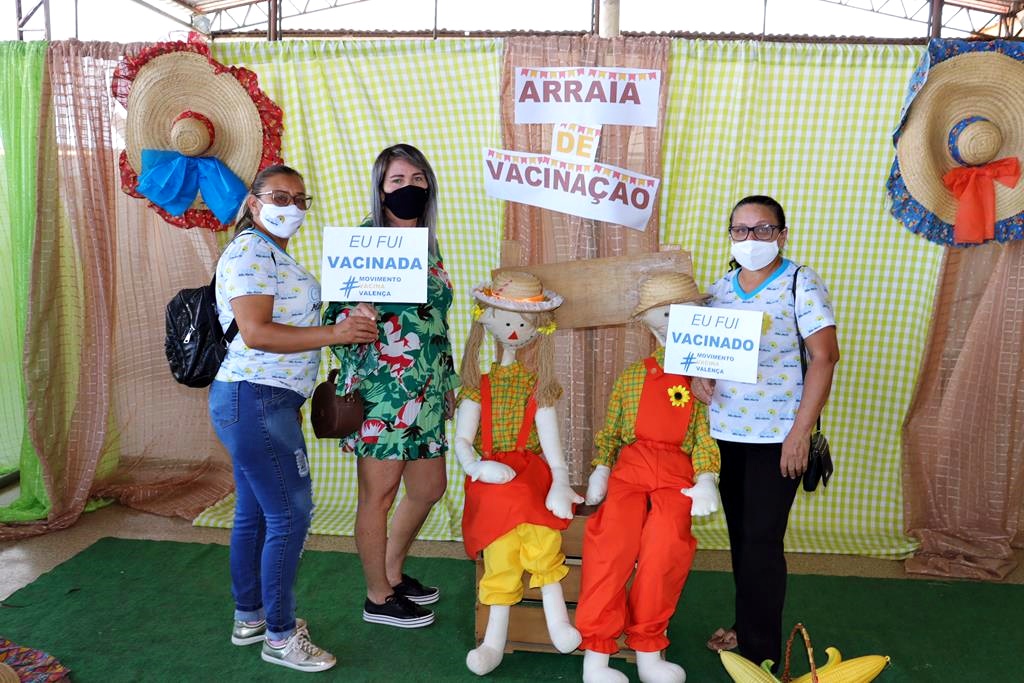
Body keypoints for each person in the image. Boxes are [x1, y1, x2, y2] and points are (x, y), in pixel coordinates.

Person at [209, 164, 379, 673]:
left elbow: (286, 322)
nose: (292, 207)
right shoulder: (250, 251)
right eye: (280, 196)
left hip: (260, 400)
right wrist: (337, 335)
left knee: (257, 513)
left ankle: (251, 618)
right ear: (254, 202)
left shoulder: (270, 253)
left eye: (301, 199)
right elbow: (257, 332)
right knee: (290, 515)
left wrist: (348, 316)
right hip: (256, 398)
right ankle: (281, 637)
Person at [700, 195, 839, 672]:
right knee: (741, 537)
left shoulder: (800, 283)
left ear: (781, 233)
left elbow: (825, 357)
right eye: (741, 230)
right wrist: (700, 378)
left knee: (763, 539)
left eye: (762, 229)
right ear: (731, 235)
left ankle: (760, 654)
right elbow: (705, 357)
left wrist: (800, 433)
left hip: (778, 437)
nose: (751, 239)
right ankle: (745, 625)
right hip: (724, 434)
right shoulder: (718, 289)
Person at [322, 144, 459, 629]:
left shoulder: (430, 245)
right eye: (398, 180)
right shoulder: (363, 243)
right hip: (383, 394)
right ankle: (377, 596)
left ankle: (393, 573)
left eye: (418, 178)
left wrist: (446, 384)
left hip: (426, 393)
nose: (410, 188)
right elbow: (331, 315)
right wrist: (352, 315)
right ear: (381, 189)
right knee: (377, 497)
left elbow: (436, 323)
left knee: (430, 487)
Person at [577, 272, 721, 683]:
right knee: (610, 551)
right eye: (664, 314)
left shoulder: (705, 382)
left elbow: (705, 434)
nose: (672, 322)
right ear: (649, 322)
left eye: (682, 312)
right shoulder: (632, 376)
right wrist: (601, 469)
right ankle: (597, 658)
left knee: (665, 553)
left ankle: (648, 650)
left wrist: (707, 477)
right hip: (631, 470)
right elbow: (612, 429)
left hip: (677, 474)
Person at [454, 271, 583, 676]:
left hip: (530, 472)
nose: (513, 330)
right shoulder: (478, 387)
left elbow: (551, 444)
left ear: (535, 330)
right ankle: (494, 640)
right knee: (500, 543)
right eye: (506, 320)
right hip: (490, 472)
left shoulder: (537, 386)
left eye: (522, 323)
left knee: (538, 527)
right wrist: (476, 465)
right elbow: (462, 440)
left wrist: (561, 480)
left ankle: (558, 619)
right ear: (488, 319)